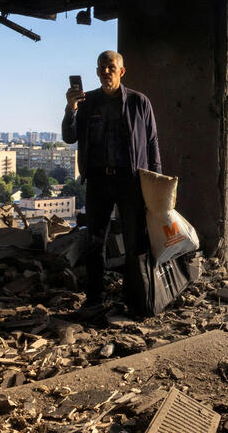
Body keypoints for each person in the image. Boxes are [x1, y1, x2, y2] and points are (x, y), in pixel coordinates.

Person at [62, 50, 161, 315]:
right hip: (97, 181)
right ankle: (95, 299)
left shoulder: (139, 102)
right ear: (96, 72)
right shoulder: (87, 102)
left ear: (121, 71)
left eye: (110, 67)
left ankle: (136, 299)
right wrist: (70, 109)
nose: (105, 71)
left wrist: (156, 184)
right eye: (101, 68)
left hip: (130, 181)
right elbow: (69, 137)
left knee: (134, 242)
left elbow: (152, 145)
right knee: (95, 242)